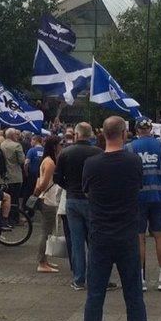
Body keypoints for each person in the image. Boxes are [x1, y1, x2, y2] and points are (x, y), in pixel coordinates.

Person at [73, 115, 155, 321]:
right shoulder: (133, 162)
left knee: (95, 295)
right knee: (134, 296)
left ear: (103, 134)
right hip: (128, 235)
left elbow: (87, 191)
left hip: (99, 236)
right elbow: (138, 188)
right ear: (124, 133)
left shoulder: (92, 164)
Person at [54, 122, 102, 290]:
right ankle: (96, 277)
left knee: (76, 241)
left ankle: (78, 278)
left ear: (76, 134)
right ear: (90, 135)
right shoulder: (98, 152)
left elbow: (57, 178)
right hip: (91, 199)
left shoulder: (65, 153)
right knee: (95, 240)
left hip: (72, 199)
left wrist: (70, 187)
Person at [127, 118, 161, 291]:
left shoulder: (129, 148)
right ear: (151, 130)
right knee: (160, 235)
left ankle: (141, 279)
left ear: (137, 130)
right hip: (158, 196)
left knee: (139, 237)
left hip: (137, 197)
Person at [32, 135, 62, 274]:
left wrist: (36, 193)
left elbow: (39, 180)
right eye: (60, 144)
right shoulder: (50, 162)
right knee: (46, 231)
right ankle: (42, 262)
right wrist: (39, 192)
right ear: (54, 146)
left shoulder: (45, 160)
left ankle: (44, 260)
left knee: (47, 231)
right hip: (48, 199)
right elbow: (44, 183)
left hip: (45, 198)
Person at [0, 128, 26, 215]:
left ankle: (3, 216)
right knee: (14, 199)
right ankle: (14, 217)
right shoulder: (17, 146)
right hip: (14, 176)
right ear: (13, 135)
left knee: (4, 198)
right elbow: (22, 161)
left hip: (1, 177)